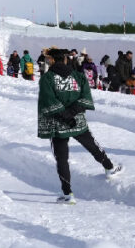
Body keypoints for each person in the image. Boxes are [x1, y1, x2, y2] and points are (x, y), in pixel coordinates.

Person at [38, 47, 122, 204]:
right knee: (92, 145)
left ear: (52, 60)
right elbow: (85, 98)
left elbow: (48, 101)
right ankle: (109, 168)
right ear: (65, 59)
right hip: (77, 120)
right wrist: (72, 113)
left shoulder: (47, 78)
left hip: (58, 124)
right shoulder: (78, 76)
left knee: (62, 158)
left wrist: (64, 116)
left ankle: (68, 194)